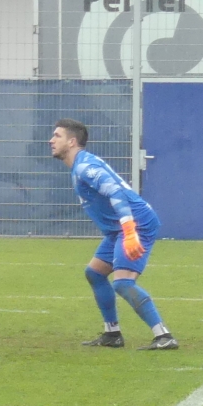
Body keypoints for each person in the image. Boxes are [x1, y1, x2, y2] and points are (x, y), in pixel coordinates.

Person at [49, 119, 178, 350]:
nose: (51, 140)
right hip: (117, 229)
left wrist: (129, 230)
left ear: (72, 141)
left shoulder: (84, 167)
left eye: (57, 136)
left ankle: (164, 336)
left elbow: (115, 191)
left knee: (123, 283)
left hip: (135, 223)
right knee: (95, 273)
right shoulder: (80, 164)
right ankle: (112, 334)